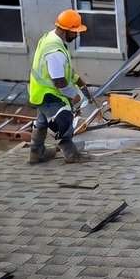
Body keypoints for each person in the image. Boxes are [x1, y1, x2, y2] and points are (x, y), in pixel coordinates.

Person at [27, 10, 92, 165]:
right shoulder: (55, 51)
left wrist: (79, 82)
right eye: (74, 32)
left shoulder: (50, 38)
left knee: (42, 121)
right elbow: (59, 81)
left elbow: (64, 70)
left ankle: (36, 153)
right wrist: (74, 96)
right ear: (65, 30)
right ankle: (71, 154)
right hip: (50, 95)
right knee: (65, 120)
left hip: (39, 93)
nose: (76, 36)